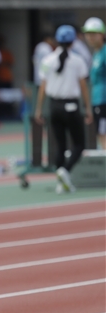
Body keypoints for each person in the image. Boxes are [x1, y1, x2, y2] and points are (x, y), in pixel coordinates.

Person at [34, 25, 93, 194]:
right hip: (72, 106)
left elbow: (43, 86)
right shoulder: (78, 61)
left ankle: (61, 181)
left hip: (54, 106)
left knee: (60, 145)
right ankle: (65, 171)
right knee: (79, 144)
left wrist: (39, 109)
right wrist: (87, 108)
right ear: (73, 41)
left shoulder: (47, 60)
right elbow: (83, 87)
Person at [83, 17, 106, 149]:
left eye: (93, 34)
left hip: (104, 100)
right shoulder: (96, 53)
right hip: (98, 100)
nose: (90, 37)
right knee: (101, 133)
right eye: (88, 34)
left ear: (102, 34)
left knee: (103, 133)